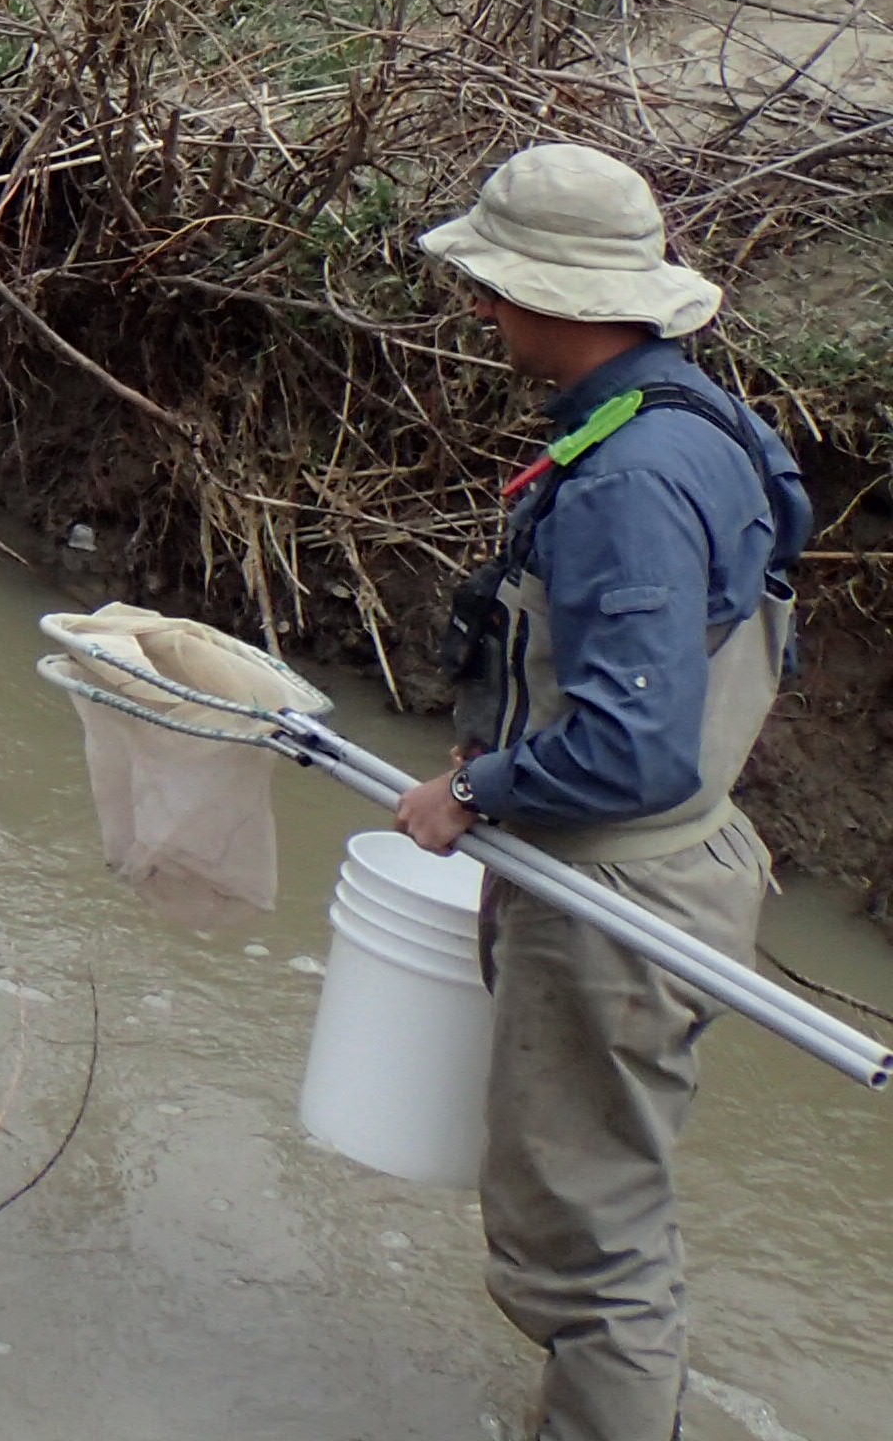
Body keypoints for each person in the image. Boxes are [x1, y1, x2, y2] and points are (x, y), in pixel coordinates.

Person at [392, 141, 810, 1441]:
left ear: (556, 302)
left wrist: (479, 790)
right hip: (685, 865)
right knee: (601, 1208)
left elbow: (632, 748)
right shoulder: (703, 422)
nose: (482, 311)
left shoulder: (627, 481)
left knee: (589, 1254)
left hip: (618, 895)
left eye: (495, 289)